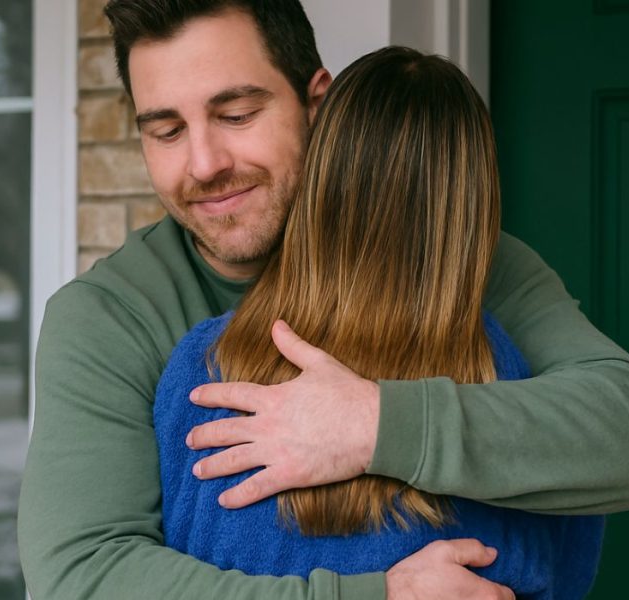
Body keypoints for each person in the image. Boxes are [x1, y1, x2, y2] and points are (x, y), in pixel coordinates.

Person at [18, 1, 629, 598]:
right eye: (166, 130)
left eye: (237, 114)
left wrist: (374, 425)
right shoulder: (110, 317)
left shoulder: (463, 263)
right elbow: (84, 579)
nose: (203, 163)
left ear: (319, 103)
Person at [155, 45, 604, 600]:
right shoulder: (516, 376)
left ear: (320, 177)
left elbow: (163, 564)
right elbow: (568, 571)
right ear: (473, 204)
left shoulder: (206, 364)